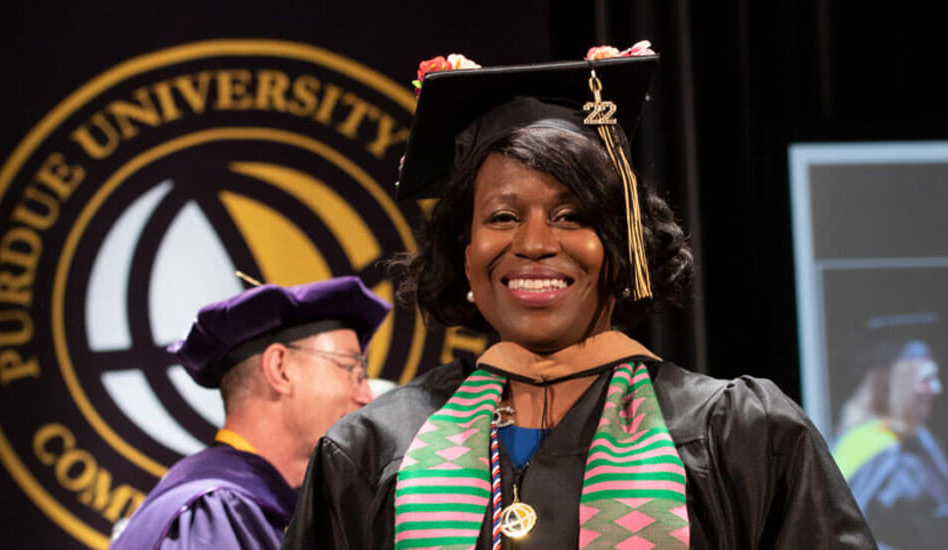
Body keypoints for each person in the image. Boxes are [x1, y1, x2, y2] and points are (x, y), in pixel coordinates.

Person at [283, 44, 875, 549]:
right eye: (503, 216)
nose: (535, 243)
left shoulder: (741, 434)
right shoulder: (372, 448)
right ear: (465, 251)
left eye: (572, 216)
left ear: (623, 246)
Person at [111, 276, 390, 549]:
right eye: (351, 369)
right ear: (280, 369)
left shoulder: (263, 510)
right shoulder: (217, 514)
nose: (367, 396)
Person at [833, 318, 948, 549]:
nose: (937, 389)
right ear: (898, 382)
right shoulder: (865, 445)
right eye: (926, 379)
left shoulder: (922, 442)